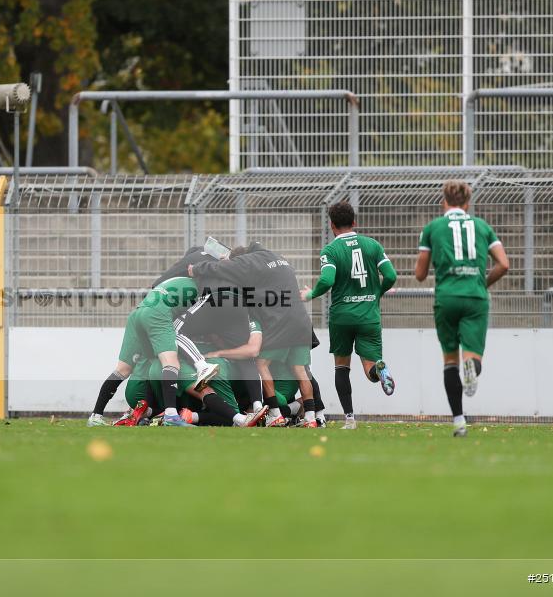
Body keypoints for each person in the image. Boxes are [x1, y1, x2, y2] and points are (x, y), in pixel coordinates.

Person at [415, 180, 509, 437]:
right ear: (467, 203)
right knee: (472, 357)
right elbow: (503, 263)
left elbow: (420, 274)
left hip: (446, 298)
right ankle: (472, 367)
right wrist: (482, 281)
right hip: (475, 297)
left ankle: (458, 421)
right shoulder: (482, 226)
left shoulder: (433, 228)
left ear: (444, 201)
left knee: (449, 361)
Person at [192, 243, 317, 425]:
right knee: (300, 370)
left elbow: (223, 268)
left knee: (260, 364)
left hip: (280, 322)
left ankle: (275, 414)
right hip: (301, 321)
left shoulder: (250, 261)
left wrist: (196, 268)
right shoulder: (278, 258)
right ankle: (312, 417)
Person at [301, 201, 397, 429]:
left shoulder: (331, 250)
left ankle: (350, 419)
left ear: (331, 225)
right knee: (369, 369)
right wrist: (376, 294)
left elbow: (327, 280)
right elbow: (391, 275)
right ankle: (379, 370)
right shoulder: (372, 245)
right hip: (368, 315)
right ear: (354, 222)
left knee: (341, 367)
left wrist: (311, 294)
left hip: (342, 316)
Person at [87, 276, 216, 428]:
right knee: (171, 362)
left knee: (123, 369)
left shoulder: (176, 280)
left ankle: (96, 416)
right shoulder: (202, 288)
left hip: (137, 314)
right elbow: (188, 319)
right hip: (157, 314)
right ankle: (171, 415)